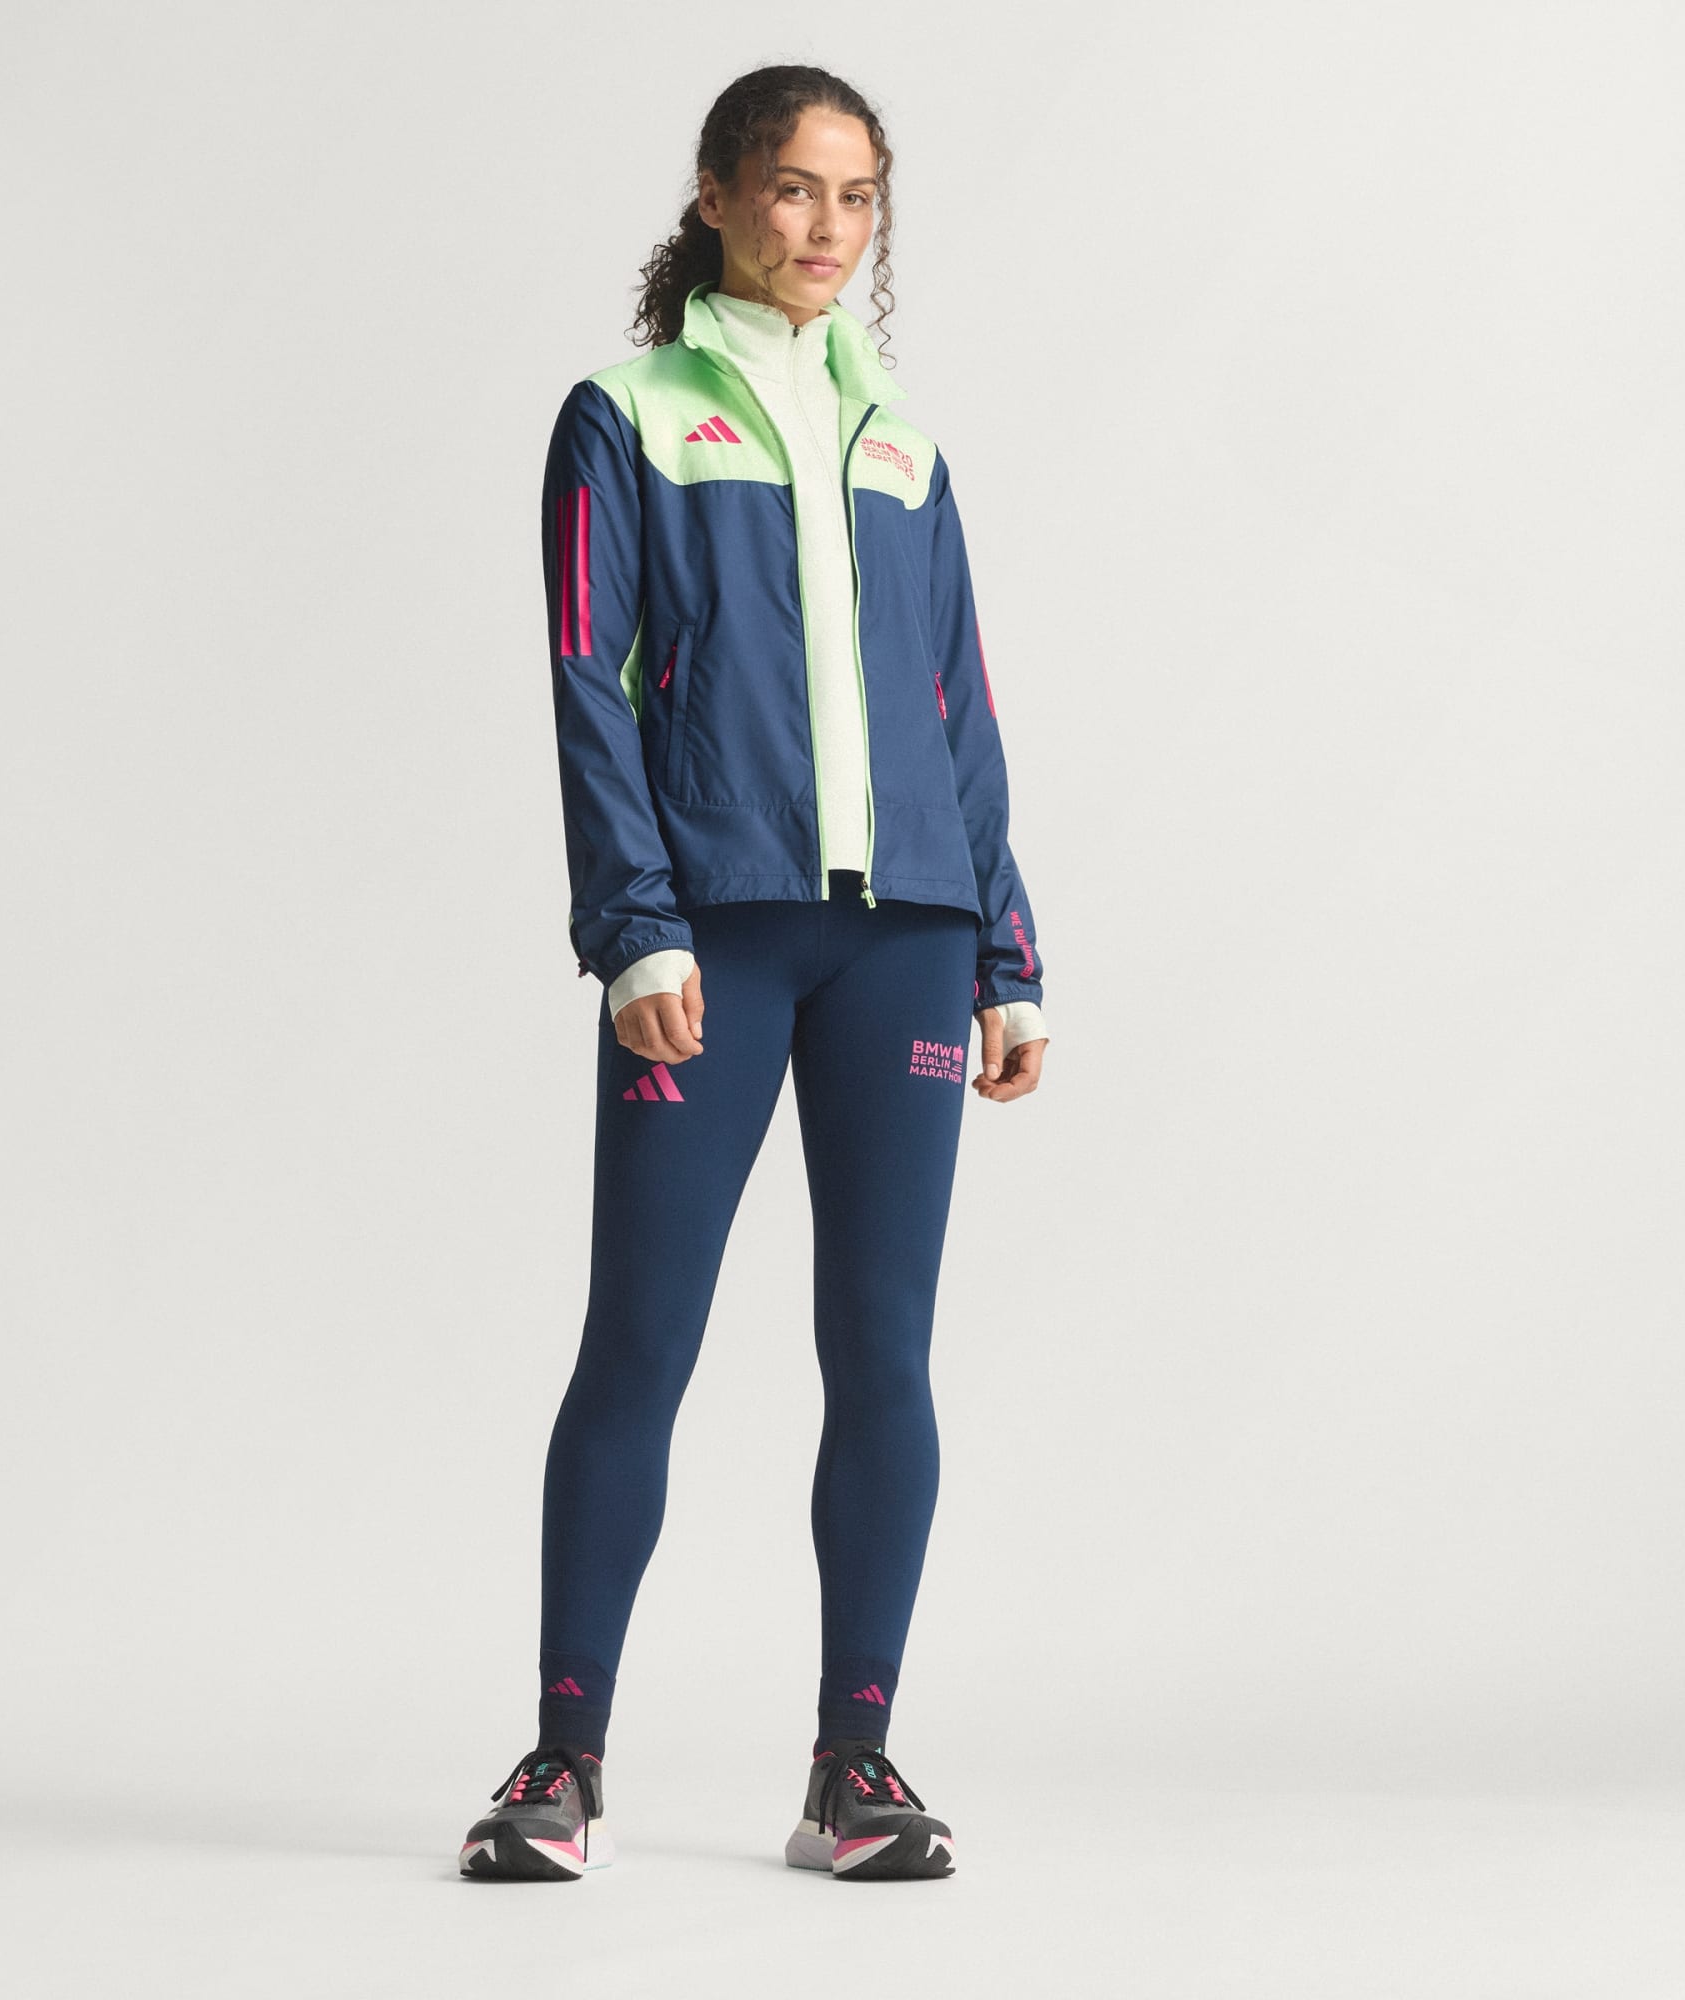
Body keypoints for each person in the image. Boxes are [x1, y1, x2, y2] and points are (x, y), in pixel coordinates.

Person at [459, 64, 1050, 1884]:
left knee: (883, 1354)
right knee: (640, 1339)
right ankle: (562, 1763)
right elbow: (588, 678)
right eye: (793, 188)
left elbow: (958, 705)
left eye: (857, 198)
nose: (825, 227)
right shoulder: (626, 414)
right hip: (711, 932)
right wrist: (632, 923)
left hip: (910, 942)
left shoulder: (905, 446)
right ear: (715, 194)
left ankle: (852, 1769)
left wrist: (1007, 949)